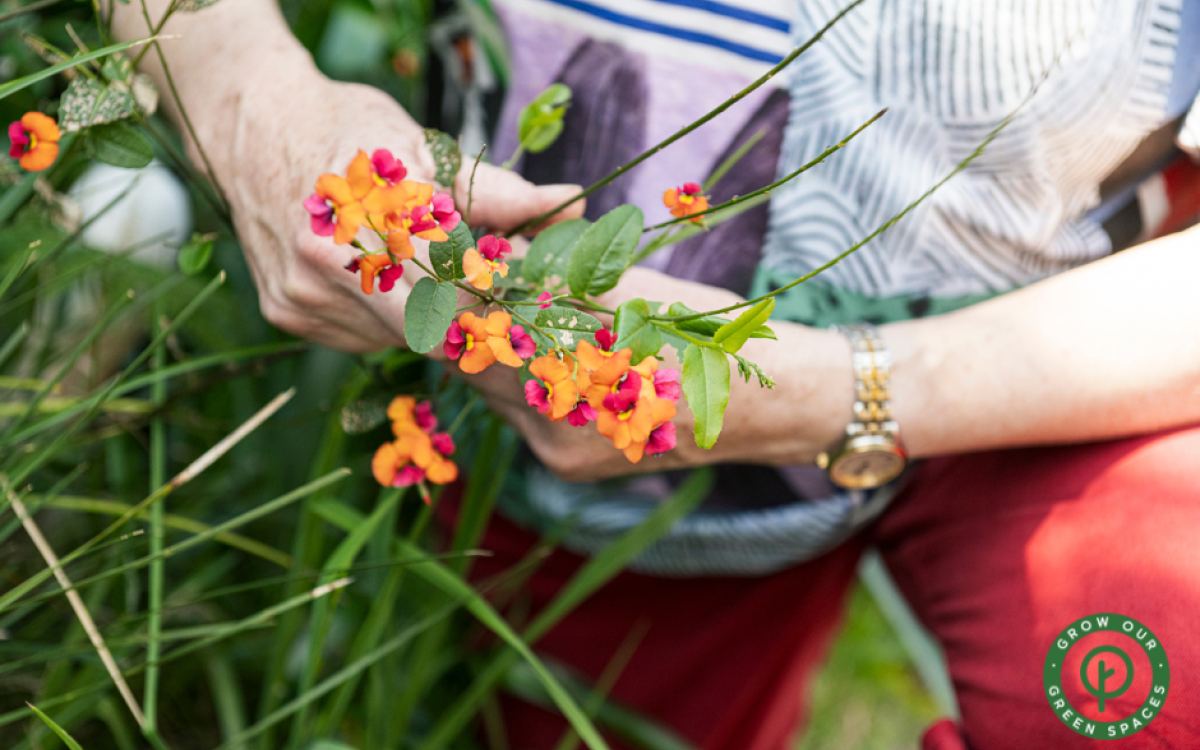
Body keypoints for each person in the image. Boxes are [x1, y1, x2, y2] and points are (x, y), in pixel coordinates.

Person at [115, 1, 1200, 748]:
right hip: (590, 437)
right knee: (589, 709)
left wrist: (840, 391)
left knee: (1163, 676)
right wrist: (248, 102)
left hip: (1072, 342)